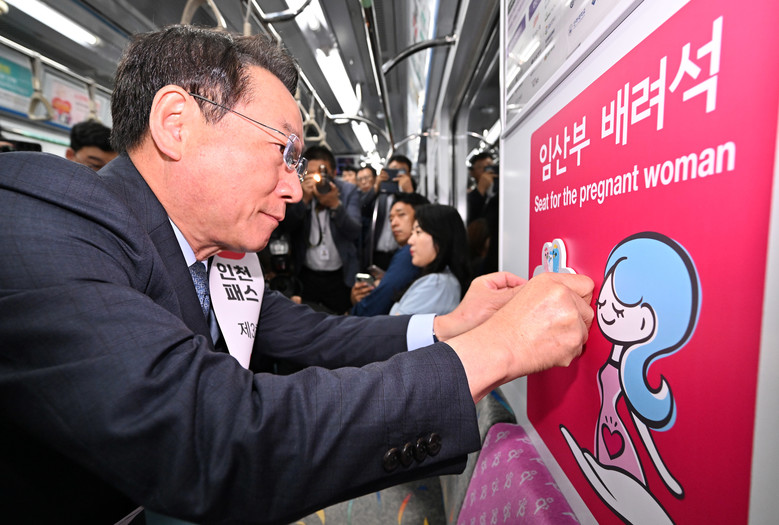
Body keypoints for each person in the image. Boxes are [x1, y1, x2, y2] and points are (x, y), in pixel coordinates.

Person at [0, 25, 594, 524]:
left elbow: (316, 335)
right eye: (284, 151)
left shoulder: (220, 258)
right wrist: (498, 349)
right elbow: (208, 433)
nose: (295, 187)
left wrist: (450, 326)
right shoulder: (42, 213)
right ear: (176, 123)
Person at [285, 145, 362, 314]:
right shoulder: (298, 191)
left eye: (321, 172)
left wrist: (335, 205)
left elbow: (354, 231)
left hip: (339, 276)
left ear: (333, 173)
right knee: (307, 318)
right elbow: (287, 226)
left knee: (339, 320)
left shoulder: (347, 191)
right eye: (310, 173)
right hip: (306, 274)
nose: (317, 178)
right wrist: (303, 199)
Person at [351, 192, 429, 316]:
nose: (393, 223)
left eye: (401, 215)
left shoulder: (409, 253)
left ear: (420, 217)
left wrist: (356, 308)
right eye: (391, 219)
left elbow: (377, 304)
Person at [389, 204, 470, 316]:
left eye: (418, 232)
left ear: (441, 238)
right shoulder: (440, 279)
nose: (410, 241)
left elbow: (396, 324)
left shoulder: (436, 284)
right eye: (412, 233)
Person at [361, 154, 416, 270]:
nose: (396, 176)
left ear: (409, 175)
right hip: (376, 254)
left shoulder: (411, 195)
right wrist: (376, 186)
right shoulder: (380, 196)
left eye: (401, 172)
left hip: (402, 253)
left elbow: (420, 216)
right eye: (393, 170)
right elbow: (362, 209)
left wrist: (409, 192)